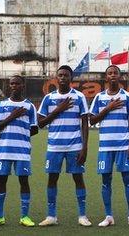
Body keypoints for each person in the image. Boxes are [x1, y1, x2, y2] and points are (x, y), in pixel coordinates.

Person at [37, 65, 91, 227]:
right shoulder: (49, 98)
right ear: (56, 77)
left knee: (78, 178)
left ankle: (82, 215)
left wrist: (85, 147)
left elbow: (85, 123)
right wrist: (58, 110)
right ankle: (51, 216)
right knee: (52, 179)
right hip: (54, 147)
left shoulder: (79, 97)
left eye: (66, 75)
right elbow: (40, 123)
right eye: (60, 75)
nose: (62, 78)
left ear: (71, 78)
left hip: (75, 146)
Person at [0, 75, 38, 227]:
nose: (14, 86)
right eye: (11, 83)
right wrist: (12, 117)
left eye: (17, 83)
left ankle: (24, 217)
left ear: (23, 86)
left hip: (22, 151)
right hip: (4, 151)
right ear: (9, 86)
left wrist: (21, 135)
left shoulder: (29, 106)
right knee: (1, 181)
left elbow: (34, 129)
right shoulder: (1, 105)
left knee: (24, 181)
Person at [89, 65, 129, 228]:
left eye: (115, 73)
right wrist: (108, 108)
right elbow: (92, 120)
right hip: (105, 147)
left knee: (127, 179)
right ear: (106, 77)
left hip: (123, 145)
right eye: (109, 73)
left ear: (120, 76)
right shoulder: (99, 97)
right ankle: (109, 216)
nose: (112, 75)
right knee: (106, 180)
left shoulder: (127, 96)